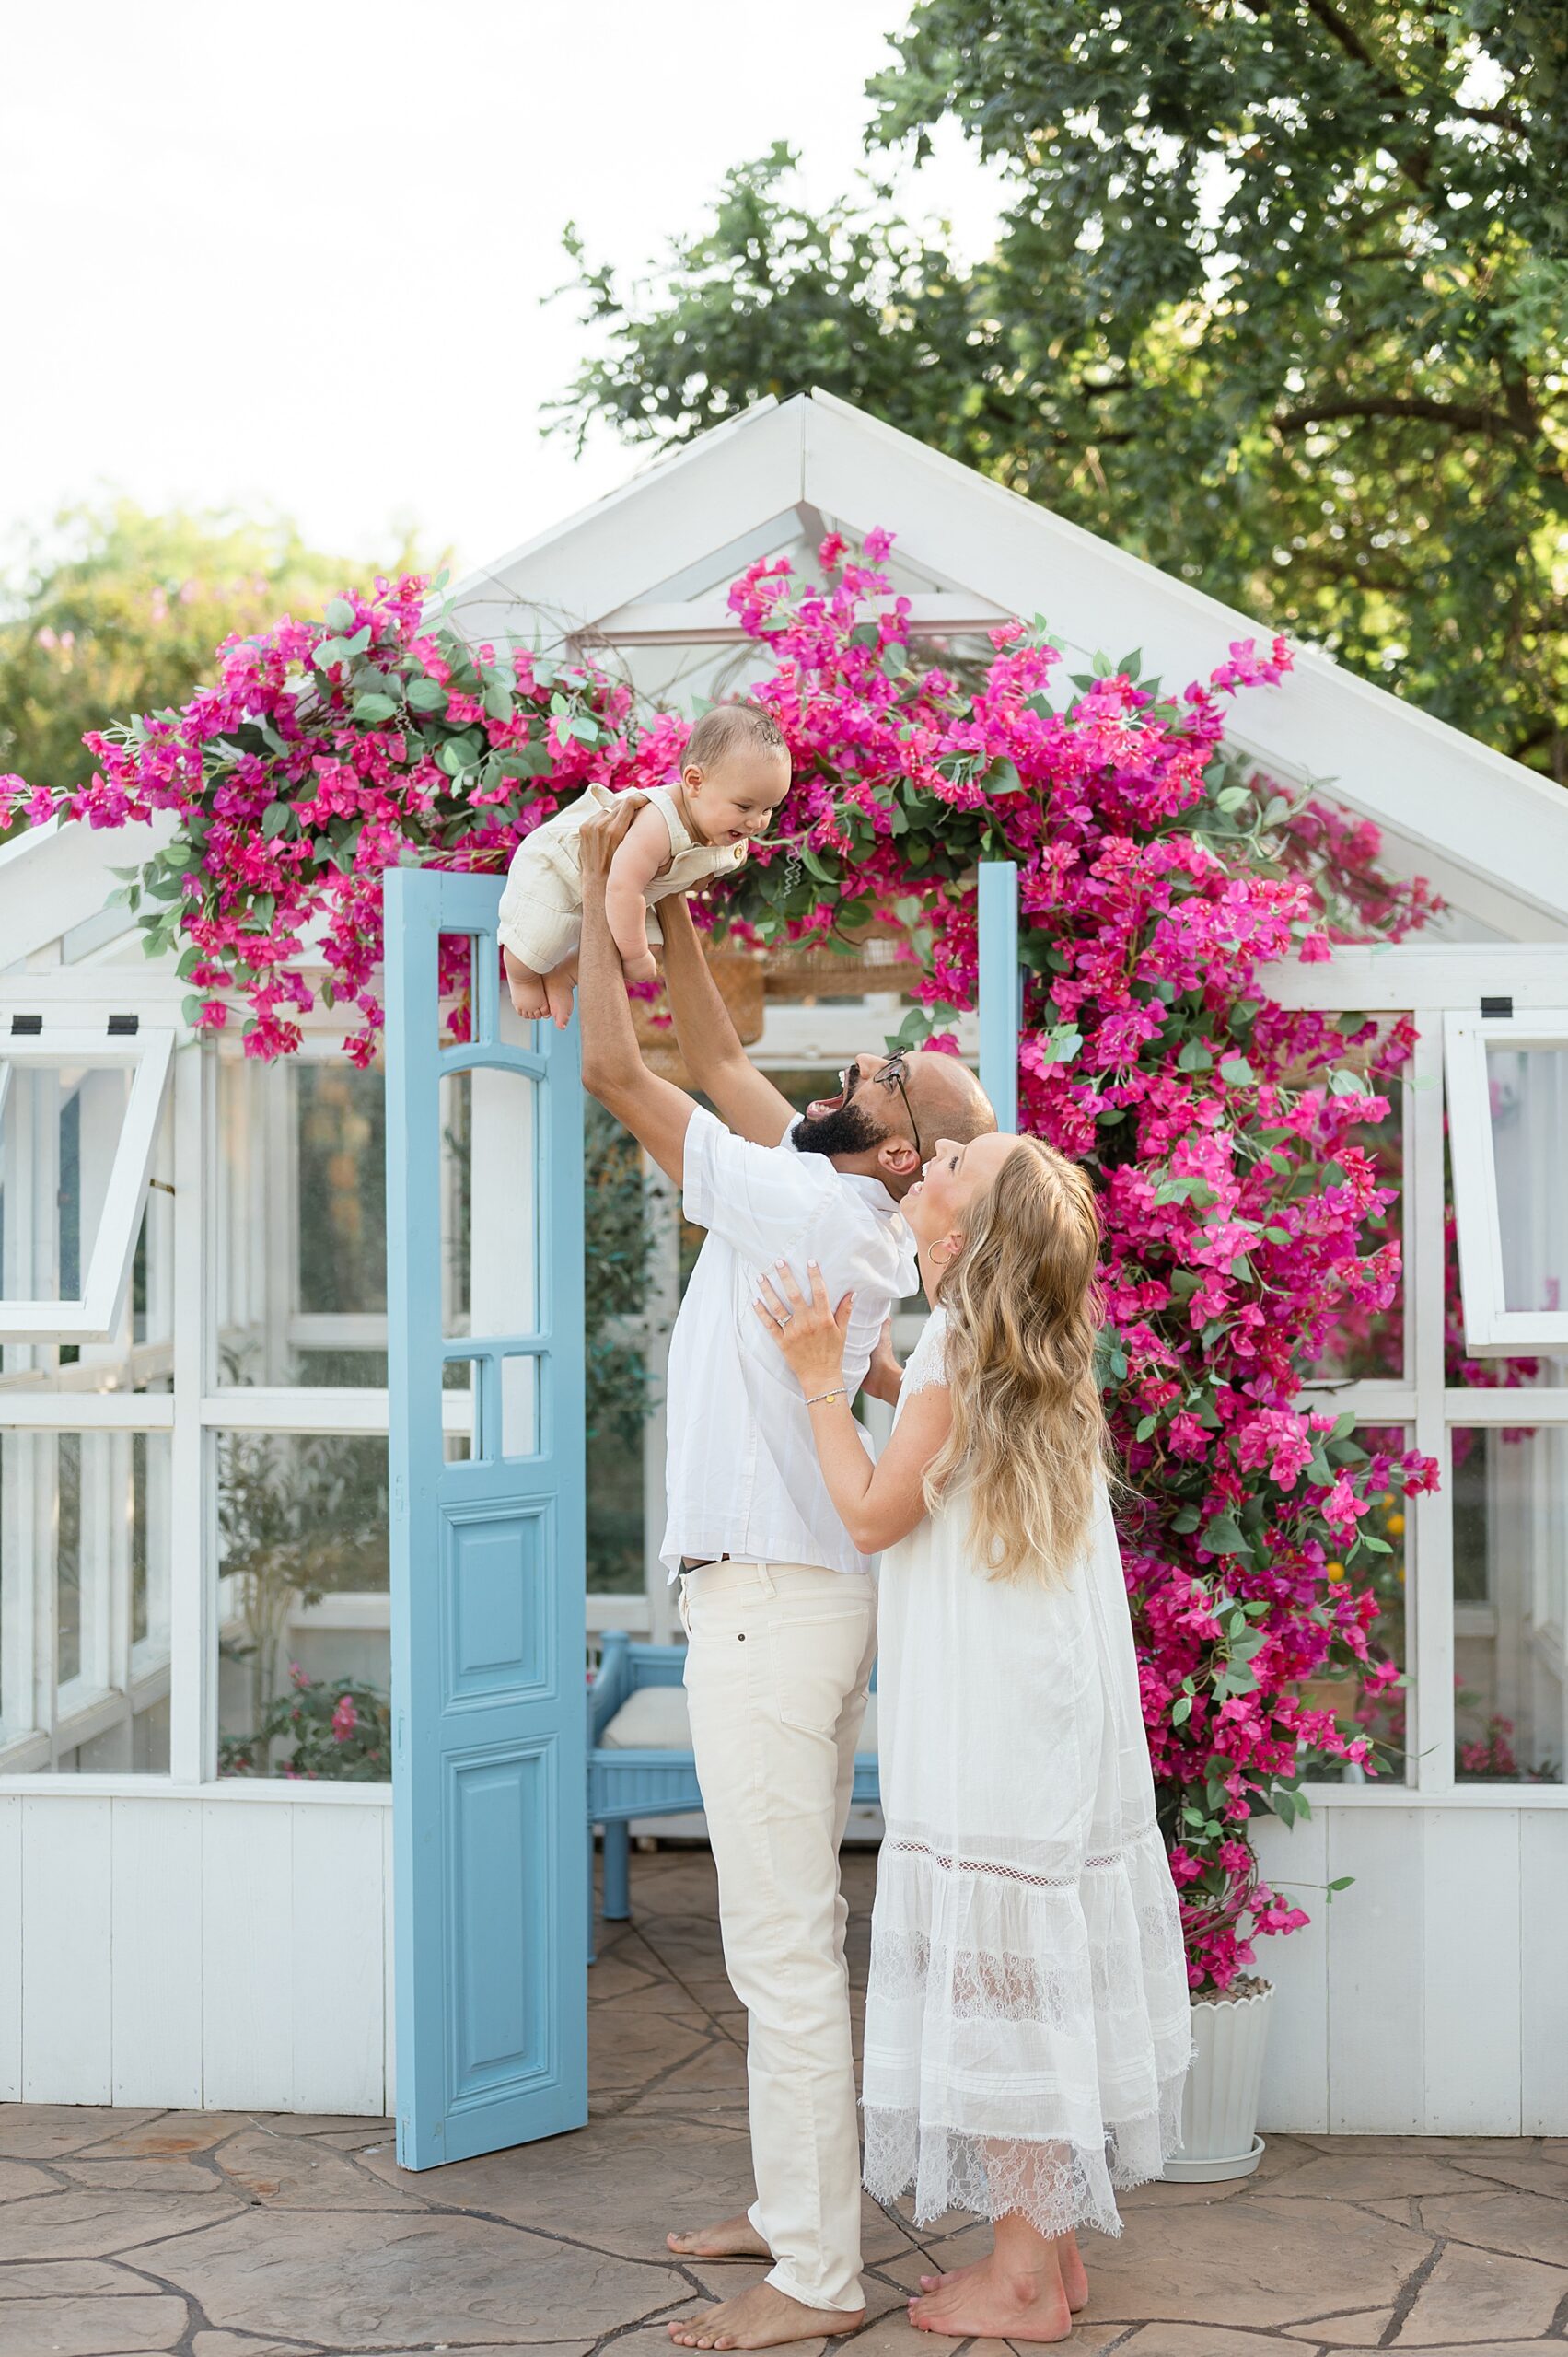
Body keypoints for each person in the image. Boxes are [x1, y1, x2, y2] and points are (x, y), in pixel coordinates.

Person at [570, 790, 997, 2352]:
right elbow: (725, 1067)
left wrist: (595, 878)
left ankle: (814, 2280)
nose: (843, 1072)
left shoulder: (807, 1205)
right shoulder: (845, 1202)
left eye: (872, 1076)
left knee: (779, 1952)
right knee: (793, 1939)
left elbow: (626, 1069)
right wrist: (668, 899)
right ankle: (789, 2205)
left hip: (766, 1606)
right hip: (801, 1606)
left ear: (897, 1147)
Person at [754, 1133, 1191, 2345]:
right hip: (1048, 1698)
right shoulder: (1019, 1347)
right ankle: (1045, 2253)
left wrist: (813, 1377)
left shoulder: (960, 1346)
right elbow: (944, 1444)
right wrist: (891, 1382)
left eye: (953, 1158)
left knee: (1000, 1981)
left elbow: (873, 1510)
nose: (934, 1149)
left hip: (991, 1711)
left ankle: (1014, 2278)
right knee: (1030, 1974)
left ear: (954, 1238)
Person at [497, 705, 792, 1027]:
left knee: (650, 943)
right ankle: (521, 977)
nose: (756, 822)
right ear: (694, 782)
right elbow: (623, 886)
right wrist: (634, 954)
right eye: (745, 806)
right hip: (562, 871)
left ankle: (565, 974)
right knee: (538, 941)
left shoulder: (719, 829)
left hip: (618, 892)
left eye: (769, 809)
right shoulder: (658, 823)